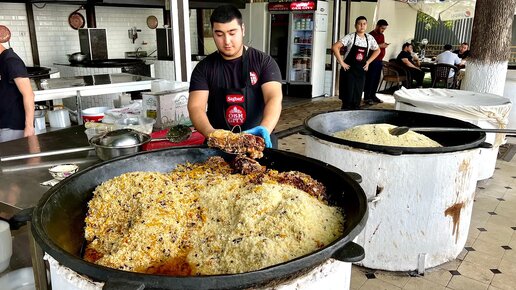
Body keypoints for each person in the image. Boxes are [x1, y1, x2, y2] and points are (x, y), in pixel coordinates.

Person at [188, 5, 282, 148]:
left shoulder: (263, 62)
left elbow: (273, 97)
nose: (226, 41)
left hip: (258, 142)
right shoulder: (204, 68)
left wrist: (265, 129)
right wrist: (212, 135)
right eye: (219, 34)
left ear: (242, 29)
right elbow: (196, 107)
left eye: (232, 33)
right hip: (219, 147)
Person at [332, 16, 380, 110]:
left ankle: (355, 113)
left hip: (361, 70)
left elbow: (377, 50)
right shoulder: (350, 37)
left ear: (366, 25)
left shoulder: (370, 38)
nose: (362, 26)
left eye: (364, 24)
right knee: (348, 96)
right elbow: (335, 47)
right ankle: (344, 114)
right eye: (359, 24)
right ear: (355, 25)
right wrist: (341, 62)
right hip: (349, 70)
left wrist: (368, 62)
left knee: (357, 95)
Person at [0, 41, 35, 142]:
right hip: (3, 122)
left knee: (12, 156)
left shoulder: (11, 61)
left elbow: (28, 94)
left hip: (12, 126)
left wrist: (29, 126)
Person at [363, 19, 389, 105]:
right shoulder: (370, 35)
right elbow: (368, 47)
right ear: (377, 26)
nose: (383, 30)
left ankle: (373, 95)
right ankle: (367, 97)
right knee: (370, 79)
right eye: (382, 28)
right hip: (372, 61)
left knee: (376, 79)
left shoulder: (382, 35)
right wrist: (381, 45)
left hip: (379, 61)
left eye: (384, 29)